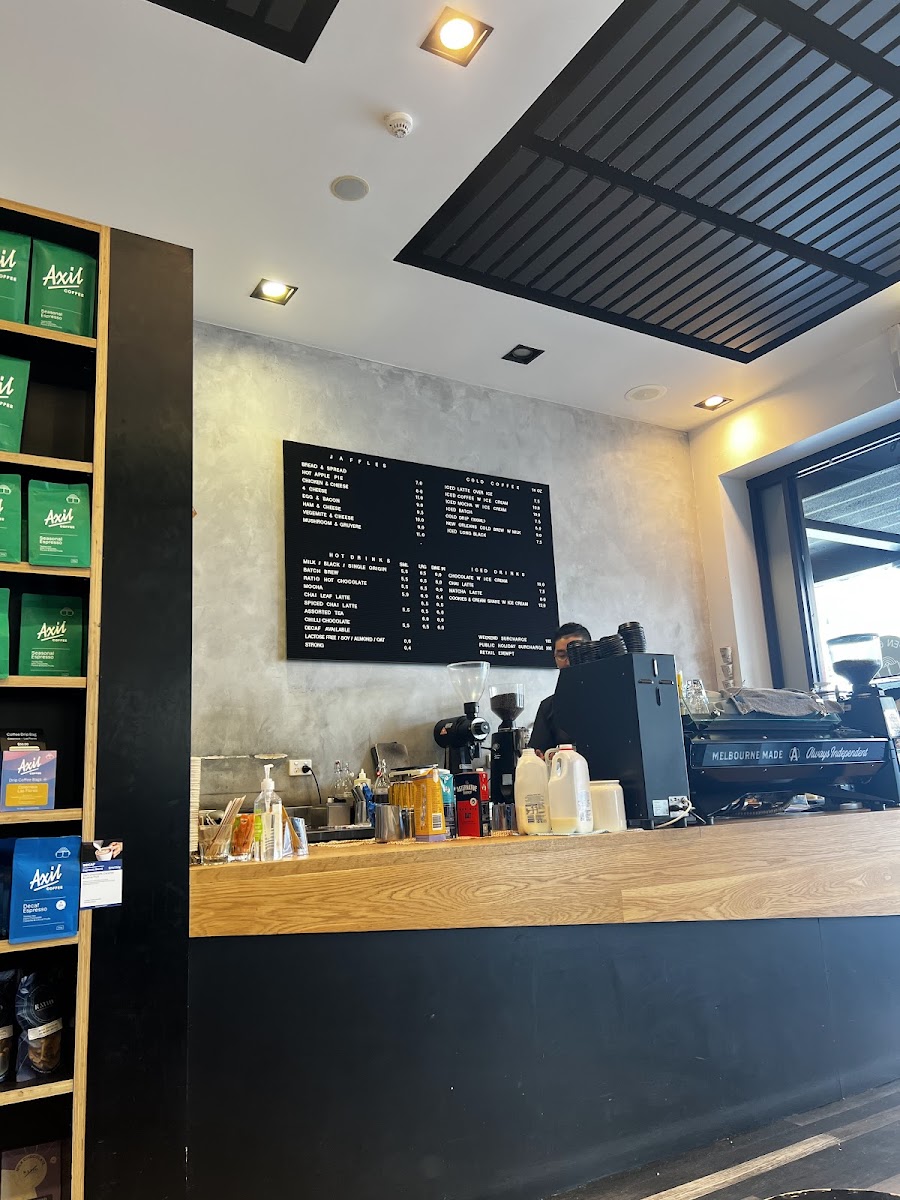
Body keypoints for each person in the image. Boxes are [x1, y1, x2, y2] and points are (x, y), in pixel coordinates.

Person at [529, 622, 592, 755]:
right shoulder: (548, 707)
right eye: (562, 656)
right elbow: (538, 755)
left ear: (591, 652)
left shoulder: (613, 697)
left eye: (576, 653)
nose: (568, 662)